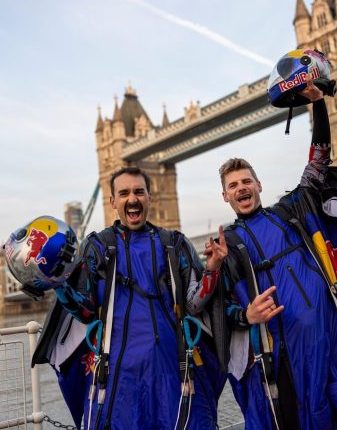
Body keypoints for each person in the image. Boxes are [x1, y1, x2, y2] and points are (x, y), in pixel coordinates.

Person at [215, 68, 337, 430]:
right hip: (287, 357)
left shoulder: (291, 210)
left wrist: (318, 108)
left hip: (334, 341)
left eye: (246, 181)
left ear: (258, 185)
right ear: (226, 196)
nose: (241, 188)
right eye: (233, 185)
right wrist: (247, 316)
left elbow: (319, 161)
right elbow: (223, 311)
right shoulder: (228, 245)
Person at [30, 167, 228, 430]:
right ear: (113, 202)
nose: (132, 199)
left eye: (139, 192)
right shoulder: (97, 247)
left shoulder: (175, 243)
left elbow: (192, 304)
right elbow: (86, 311)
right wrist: (58, 283)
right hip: (117, 380)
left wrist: (212, 269)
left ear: (149, 198)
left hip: (172, 371)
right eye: (123, 193)